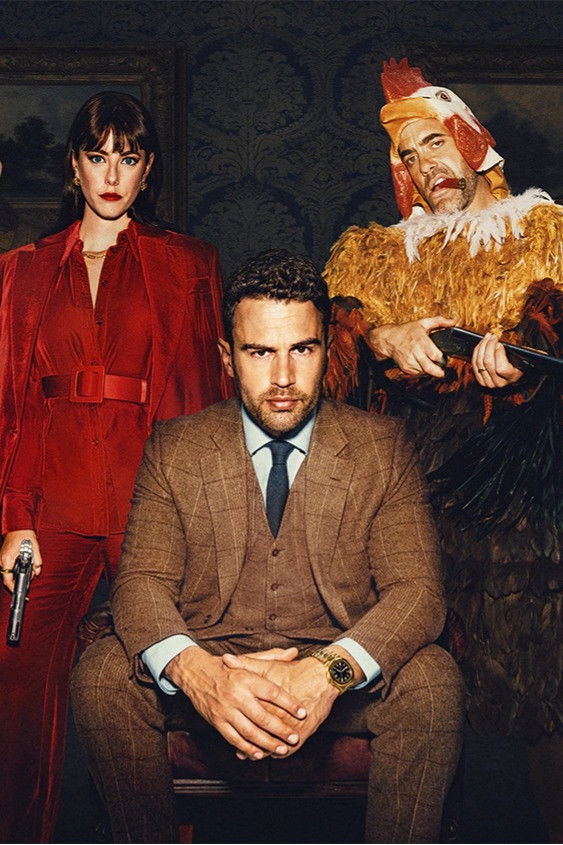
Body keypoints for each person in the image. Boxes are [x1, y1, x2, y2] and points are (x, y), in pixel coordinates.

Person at [71, 249, 464, 844]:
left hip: (337, 669)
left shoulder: (381, 446)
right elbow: (141, 584)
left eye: (301, 349)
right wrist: (200, 675)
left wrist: (327, 674)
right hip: (214, 657)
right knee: (102, 674)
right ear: (227, 358)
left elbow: (418, 593)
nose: (282, 377)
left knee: (433, 680)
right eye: (259, 352)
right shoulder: (177, 446)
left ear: (326, 350)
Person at [324, 58, 562, 839]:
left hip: (523, 509)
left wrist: (525, 357)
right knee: (429, 691)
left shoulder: (548, 234)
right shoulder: (374, 256)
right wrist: (380, 336)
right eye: (406, 155)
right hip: (410, 501)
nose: (424, 165)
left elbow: (552, 325)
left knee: (536, 693)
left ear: (470, 139)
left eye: (433, 141)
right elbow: (318, 356)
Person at [0, 90, 231, 843]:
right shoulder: (21, 271)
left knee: (170, 674)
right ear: (73, 165)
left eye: (126, 158)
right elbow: (15, 404)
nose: (110, 174)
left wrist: (204, 517)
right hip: (54, 506)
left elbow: (207, 394)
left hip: (152, 505)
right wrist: (15, 518)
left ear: (146, 168)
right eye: (96, 156)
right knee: (14, 680)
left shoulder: (188, 264)